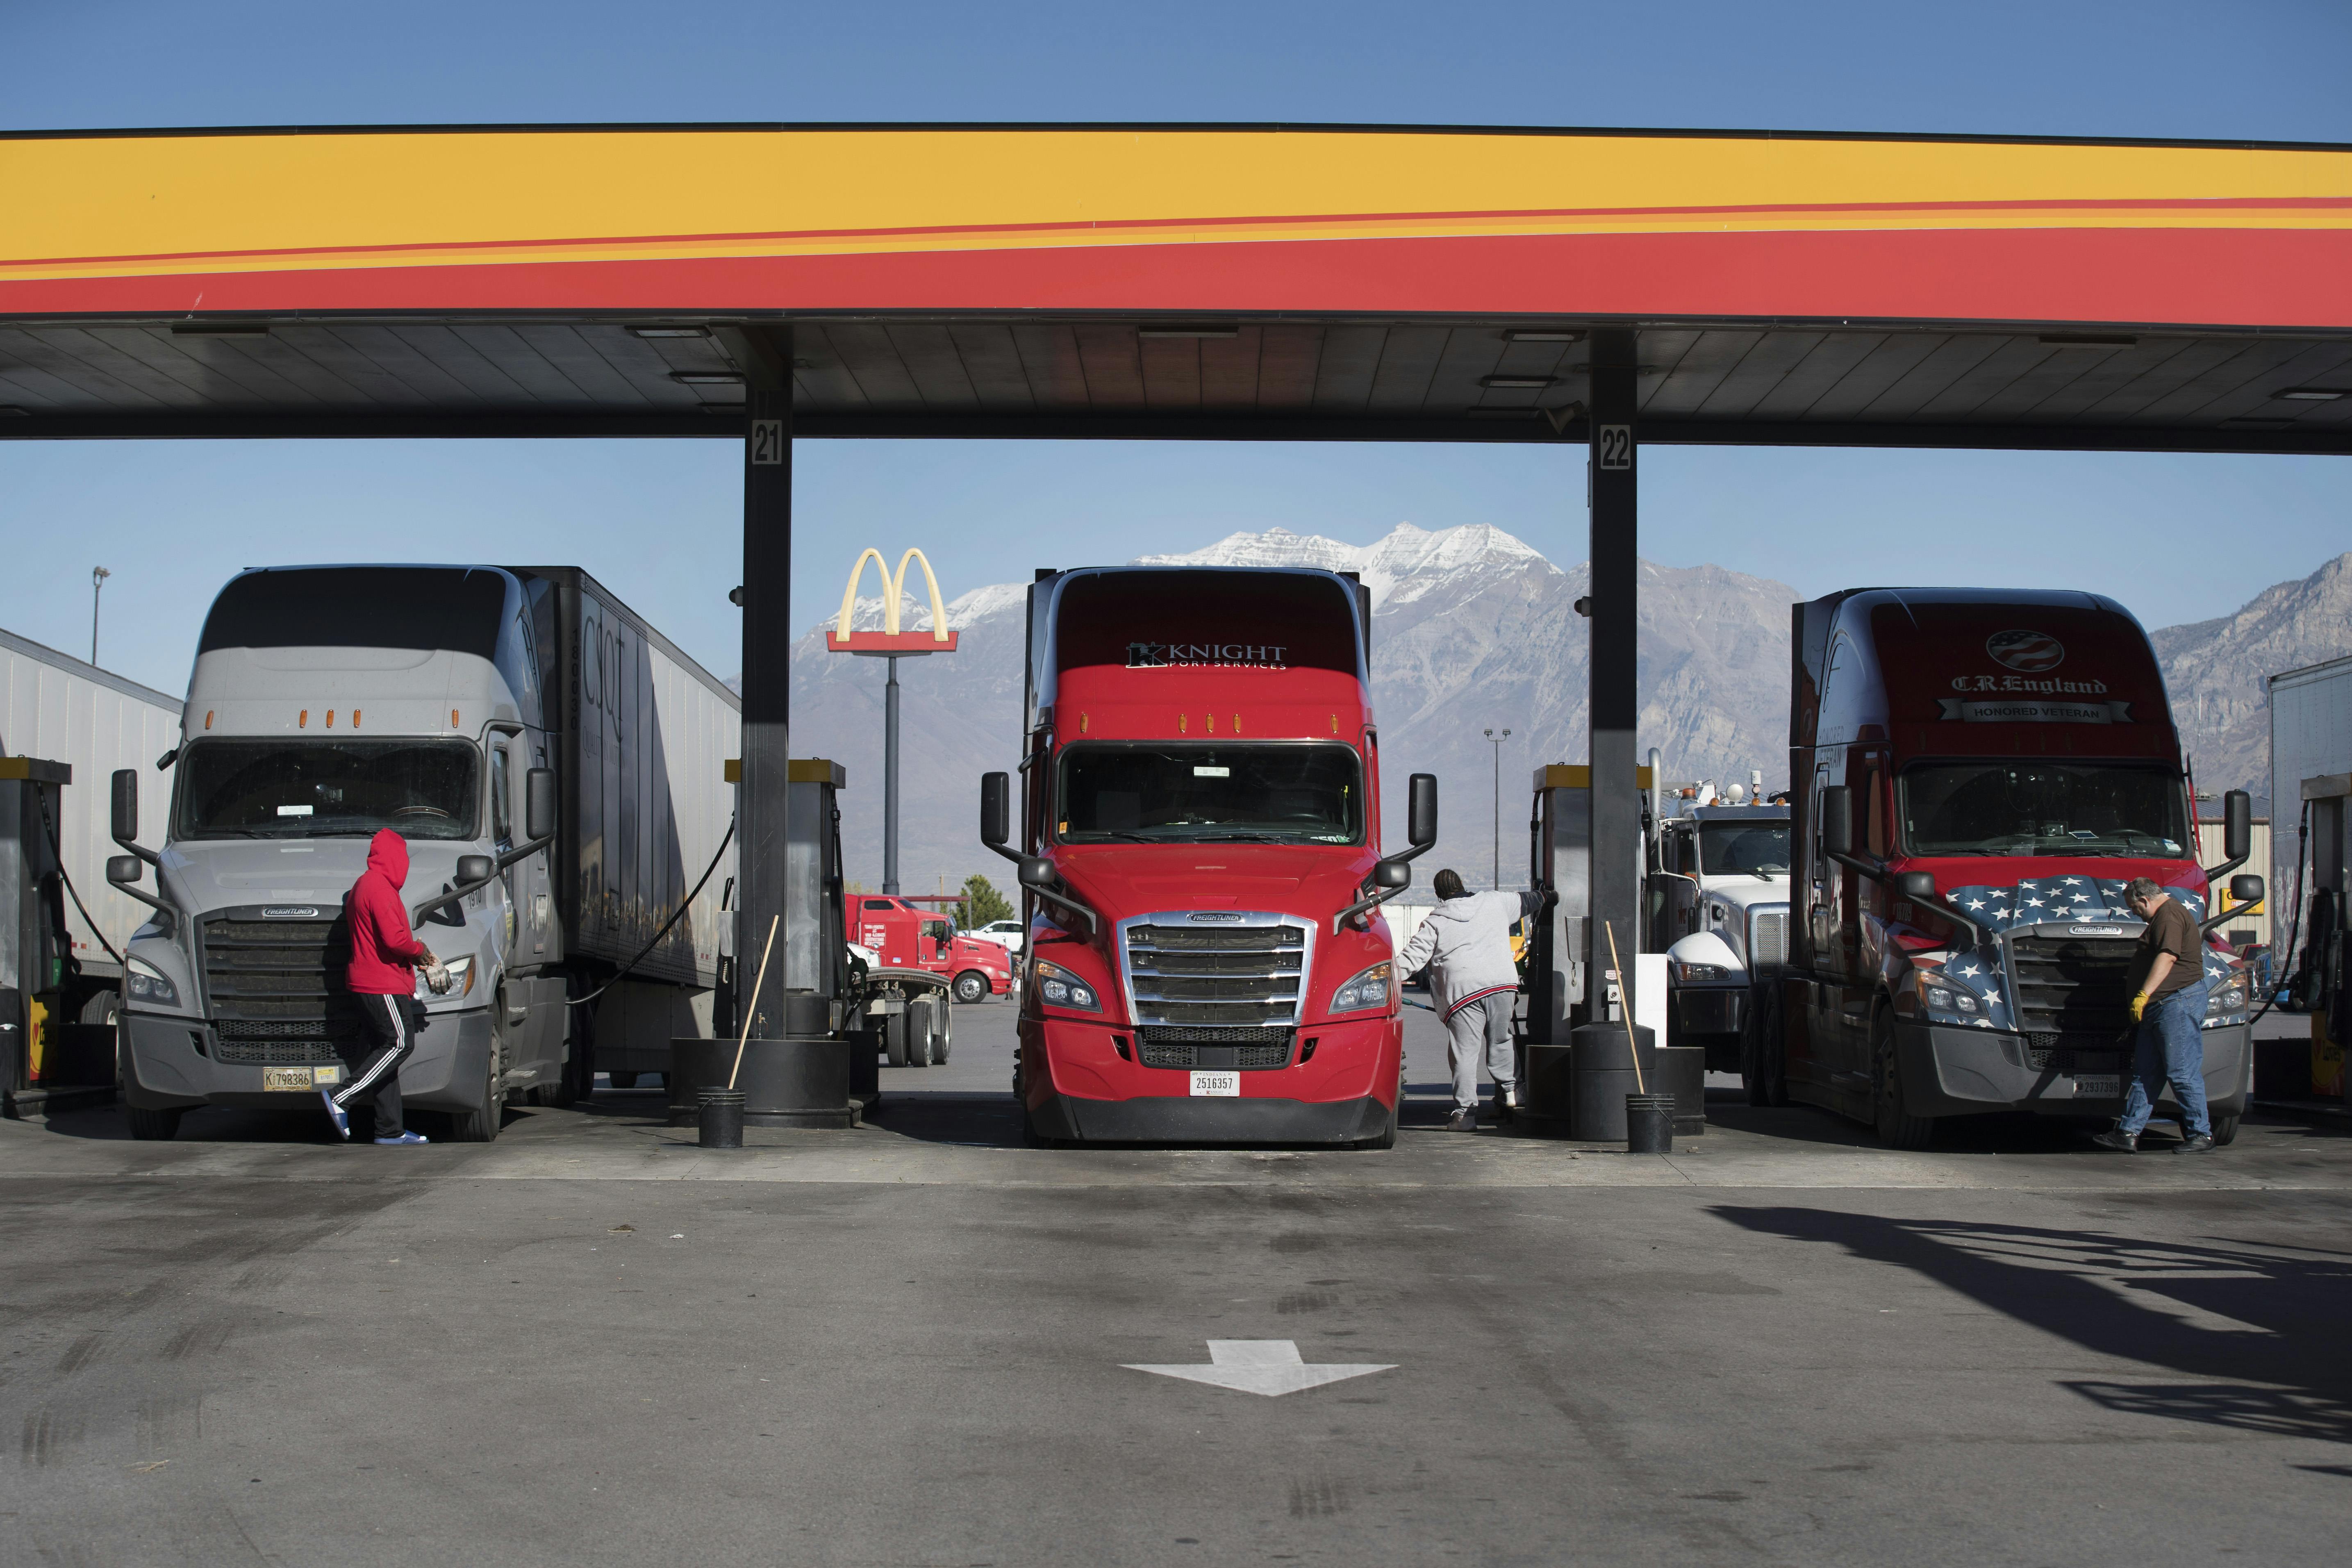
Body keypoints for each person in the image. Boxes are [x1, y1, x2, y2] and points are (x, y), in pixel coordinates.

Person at [323, 829, 450, 1146]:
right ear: (395, 858)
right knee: (399, 1044)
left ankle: (389, 1130)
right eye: (404, 859)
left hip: (367, 981)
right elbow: (394, 939)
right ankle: (341, 1097)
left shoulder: (363, 885)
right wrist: (420, 951)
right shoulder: (379, 887)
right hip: (380, 982)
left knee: (385, 1054)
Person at [1397, 868, 1549, 1131]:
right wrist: (1549, 896)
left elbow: (1412, 959)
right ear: (1462, 884)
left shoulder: (1436, 922)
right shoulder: (1495, 902)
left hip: (1463, 993)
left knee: (1465, 1054)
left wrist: (1381, 977)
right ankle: (1513, 1092)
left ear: (1439, 896)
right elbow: (1530, 900)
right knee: (1501, 1039)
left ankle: (1465, 1116)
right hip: (1501, 985)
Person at [2094, 876, 2213, 1154]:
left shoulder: (2169, 916)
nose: (2136, 913)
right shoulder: (2165, 916)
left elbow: (2168, 956)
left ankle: (2201, 1134)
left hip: (2176, 1003)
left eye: (2135, 908)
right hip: (2161, 1007)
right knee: (2145, 1074)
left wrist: (2143, 994)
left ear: (2145, 900)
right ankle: (2128, 1132)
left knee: (2182, 1072)